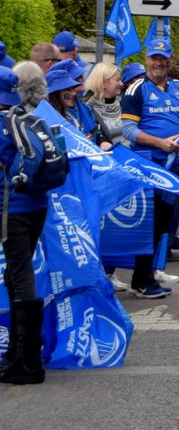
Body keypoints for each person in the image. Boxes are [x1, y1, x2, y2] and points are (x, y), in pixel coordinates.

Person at [120, 37, 179, 298]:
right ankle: (141, 280)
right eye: (154, 58)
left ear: (170, 60)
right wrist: (160, 143)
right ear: (147, 59)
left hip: (174, 166)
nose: (158, 63)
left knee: (165, 222)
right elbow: (128, 130)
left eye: (163, 59)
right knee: (150, 224)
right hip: (147, 166)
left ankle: (147, 277)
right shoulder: (136, 90)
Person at [0, 67, 48, 385]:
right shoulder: (26, 117)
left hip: (11, 209)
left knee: (20, 274)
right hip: (37, 205)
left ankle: (28, 362)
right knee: (16, 272)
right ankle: (17, 354)